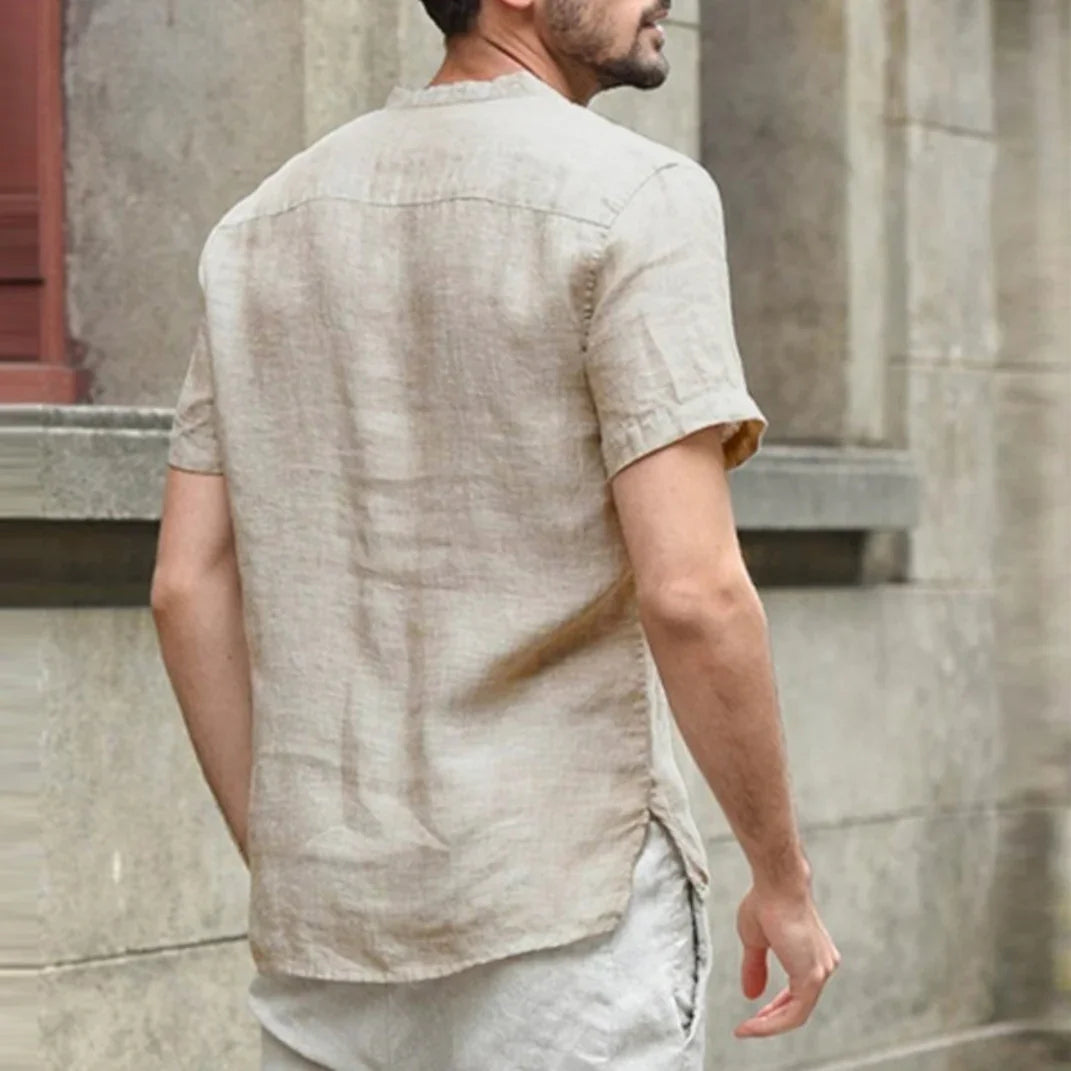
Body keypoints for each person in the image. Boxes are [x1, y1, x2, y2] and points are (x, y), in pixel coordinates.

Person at [151, 0, 840, 1067]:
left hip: (331, 939)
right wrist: (781, 877)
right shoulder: (636, 196)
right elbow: (694, 591)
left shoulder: (258, 226)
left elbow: (186, 585)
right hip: (560, 917)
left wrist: (297, 861)